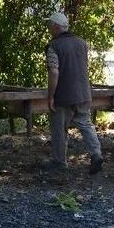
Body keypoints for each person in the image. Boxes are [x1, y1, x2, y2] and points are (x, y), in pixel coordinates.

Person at [40, 12, 104, 174]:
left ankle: (59, 161)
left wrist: (51, 97)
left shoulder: (54, 46)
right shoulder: (82, 43)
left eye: (50, 25)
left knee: (59, 128)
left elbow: (54, 72)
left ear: (56, 26)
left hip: (64, 95)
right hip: (83, 92)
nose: (49, 29)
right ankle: (96, 154)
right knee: (86, 124)